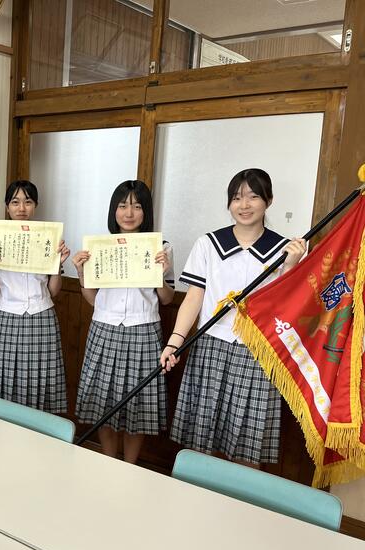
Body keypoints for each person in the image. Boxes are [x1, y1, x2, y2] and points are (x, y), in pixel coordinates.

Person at [161, 168, 306, 466]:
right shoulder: (208, 244)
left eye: (253, 197)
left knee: (246, 446)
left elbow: (287, 306)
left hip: (258, 351)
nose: (244, 205)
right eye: (237, 198)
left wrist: (292, 266)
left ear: (269, 201)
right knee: (200, 439)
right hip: (210, 346)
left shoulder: (284, 250)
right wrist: (174, 342)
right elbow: (194, 297)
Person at [72, 180, 174, 463]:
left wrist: (161, 274)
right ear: (113, 210)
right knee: (104, 404)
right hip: (104, 327)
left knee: (137, 407)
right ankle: (107, 461)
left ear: (146, 211)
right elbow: (92, 300)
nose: (129, 213)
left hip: (144, 330)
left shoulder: (161, 247)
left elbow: (167, 299)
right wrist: (81, 273)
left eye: (137, 206)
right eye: (122, 206)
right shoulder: (100, 247)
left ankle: (130, 466)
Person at [0, 179, 70, 413]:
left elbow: (52, 291)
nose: (21, 208)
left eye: (28, 202)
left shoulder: (48, 239)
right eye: (15, 202)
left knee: (40, 380)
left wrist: (57, 264)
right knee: (7, 381)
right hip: (8, 317)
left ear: (35, 205)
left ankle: (39, 430)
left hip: (42, 316)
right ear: (7, 206)